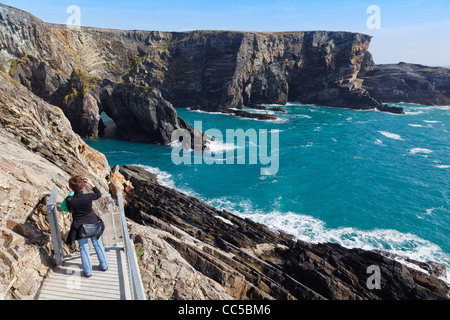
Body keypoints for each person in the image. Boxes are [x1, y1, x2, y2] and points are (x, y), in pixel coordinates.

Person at [65, 176, 108, 277]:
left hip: (79, 226)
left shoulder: (69, 200)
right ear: (83, 186)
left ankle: (88, 272)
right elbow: (98, 194)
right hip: (93, 223)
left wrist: (73, 191)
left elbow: (69, 208)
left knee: (83, 248)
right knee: (97, 244)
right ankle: (104, 265)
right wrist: (91, 183)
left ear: (71, 187)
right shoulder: (88, 196)